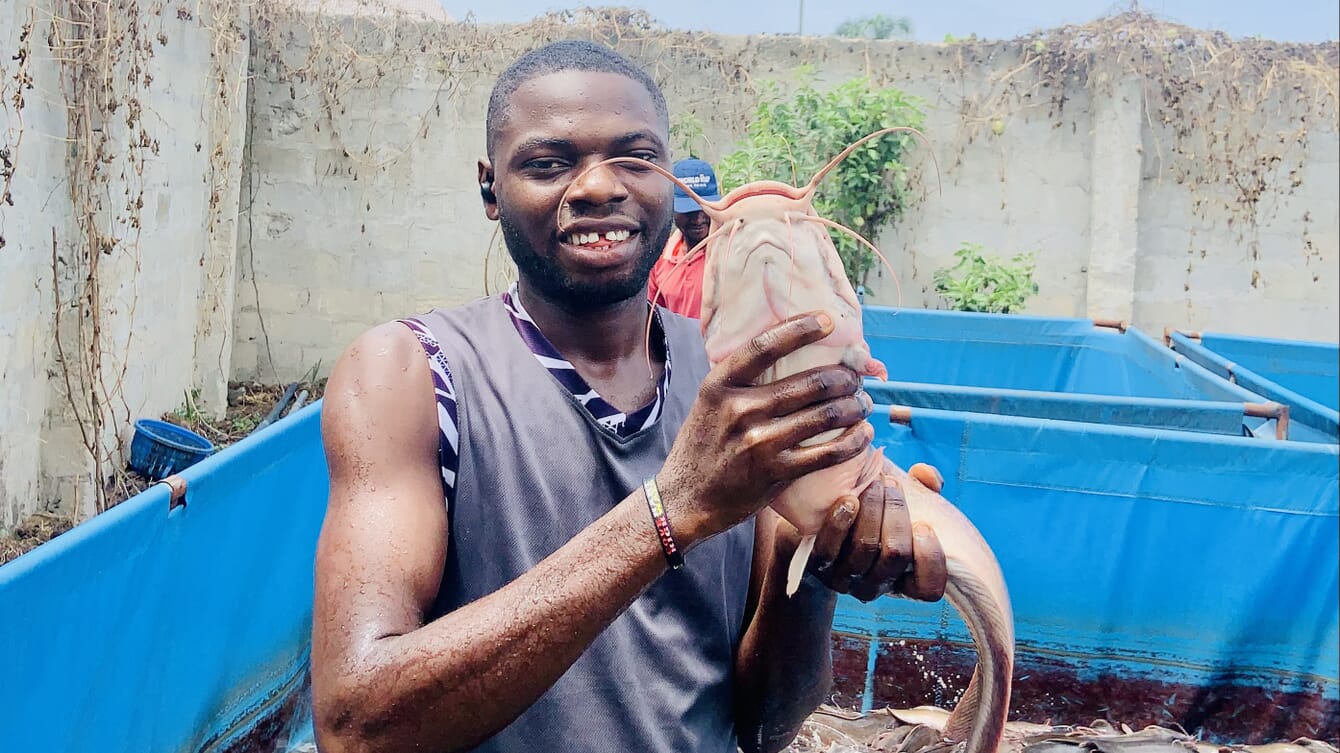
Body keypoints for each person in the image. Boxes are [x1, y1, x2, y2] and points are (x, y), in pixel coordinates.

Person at [311, 39, 951, 753]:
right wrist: (673, 506)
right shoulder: (411, 375)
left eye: (635, 159)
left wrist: (815, 571)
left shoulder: (737, 371)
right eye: (549, 162)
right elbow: (355, 724)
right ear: (491, 189)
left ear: (670, 180)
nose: (596, 187)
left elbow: (766, 724)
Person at [647, 157, 720, 318]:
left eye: (705, 208)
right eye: (689, 212)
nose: (699, 219)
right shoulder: (660, 257)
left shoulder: (730, 252)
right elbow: (654, 315)